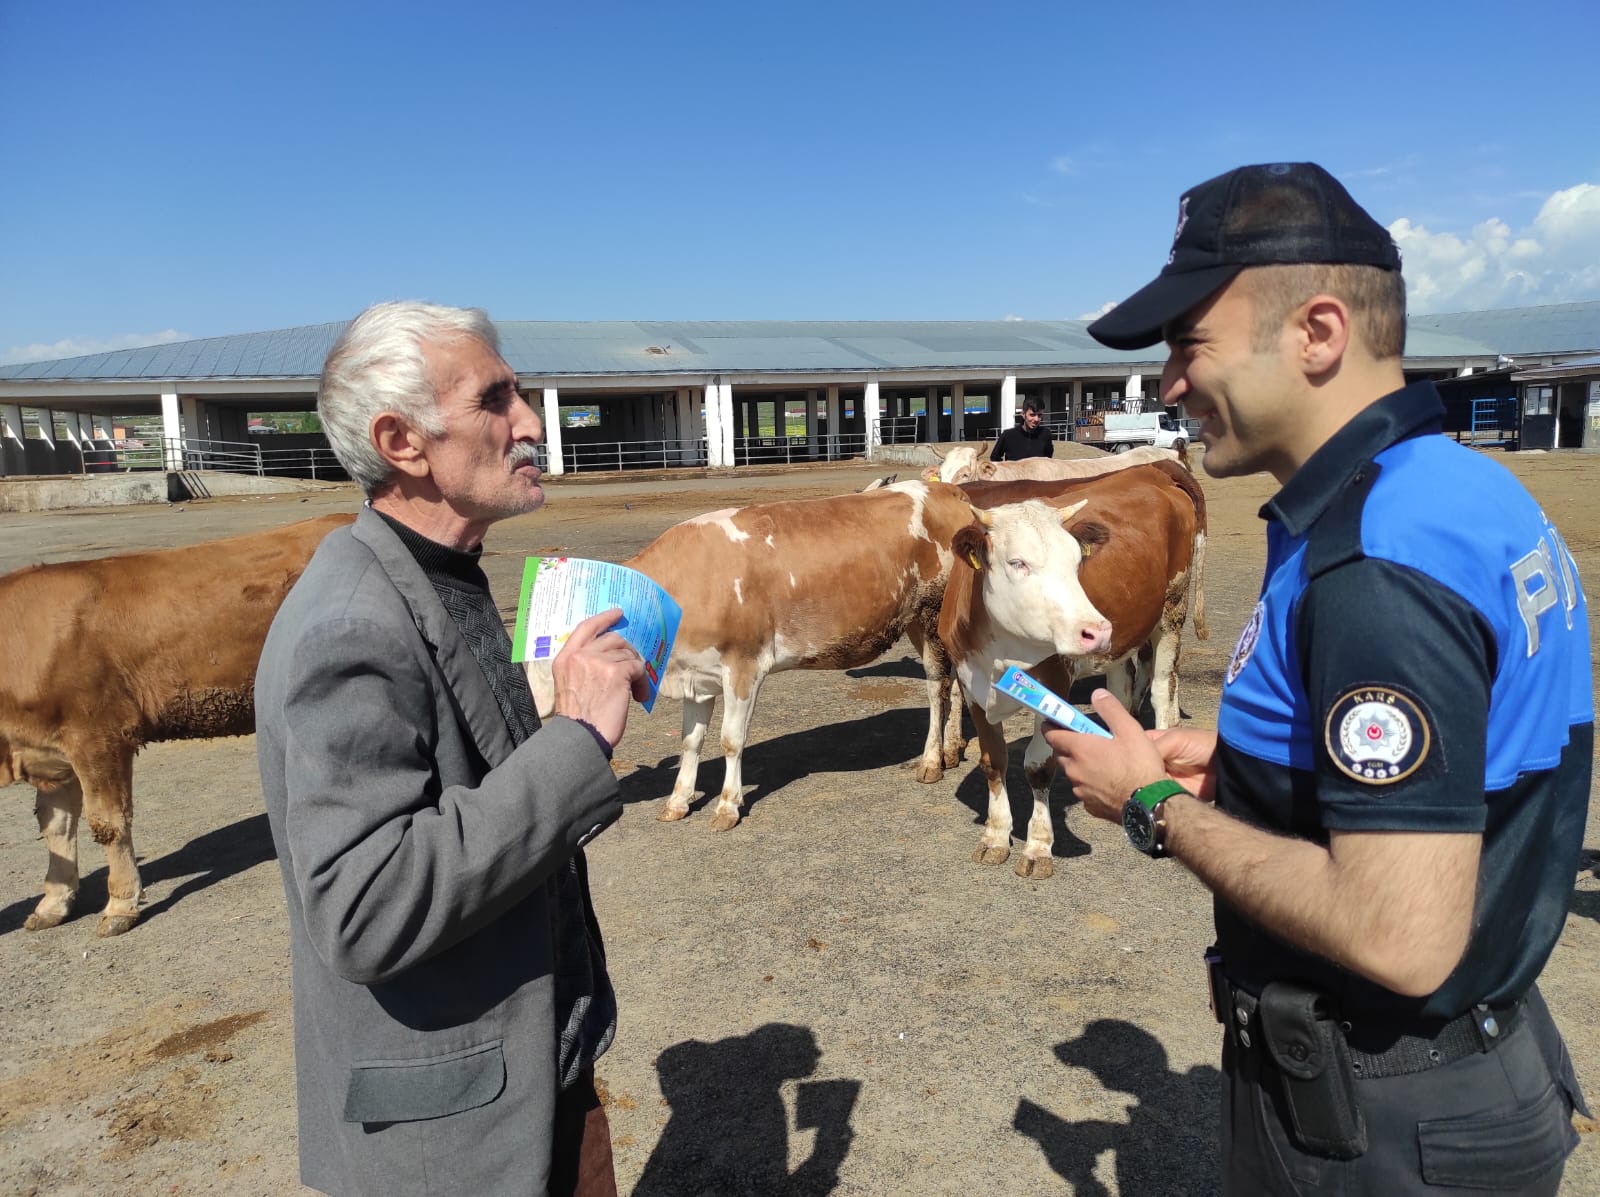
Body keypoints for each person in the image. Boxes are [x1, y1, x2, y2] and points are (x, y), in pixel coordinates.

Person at [1047, 162, 1591, 1194]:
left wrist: (1152, 803)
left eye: (1188, 345)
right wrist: (1255, 765)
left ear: (1318, 333)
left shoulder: (1375, 560)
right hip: (1453, 1071)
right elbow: (1470, 757)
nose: (1167, 385)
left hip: (1382, 1121)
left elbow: (1401, 937)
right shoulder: (1454, 491)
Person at [256, 301, 648, 1197]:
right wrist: (577, 740)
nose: (531, 422)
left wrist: (544, 710)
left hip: (530, 1082)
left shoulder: (438, 576)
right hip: (459, 1143)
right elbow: (363, 906)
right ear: (402, 441)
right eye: (496, 399)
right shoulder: (351, 622)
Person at [991, 394, 1054, 461]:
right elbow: (994, 458)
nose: (1036, 419)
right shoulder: (1008, 435)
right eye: (1032, 415)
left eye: (1039, 415)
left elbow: (1048, 458)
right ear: (1023, 414)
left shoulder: (1045, 434)